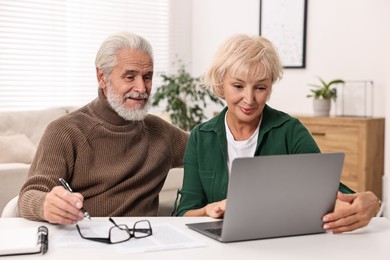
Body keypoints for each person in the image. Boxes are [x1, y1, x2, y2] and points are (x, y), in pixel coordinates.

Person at [176, 34, 381, 233]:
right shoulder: (201, 137)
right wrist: (208, 210)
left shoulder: (290, 131)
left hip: (280, 243)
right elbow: (184, 213)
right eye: (238, 86)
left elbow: (327, 190)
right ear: (221, 83)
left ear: (270, 87)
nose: (249, 98)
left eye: (260, 87)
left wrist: (369, 201)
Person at [18, 32, 188, 224]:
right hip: (86, 243)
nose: (141, 88)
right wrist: (45, 205)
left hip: (144, 244)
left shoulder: (160, 132)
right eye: (130, 77)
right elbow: (29, 196)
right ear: (102, 77)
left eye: (147, 77)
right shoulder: (64, 131)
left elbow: (210, 146)